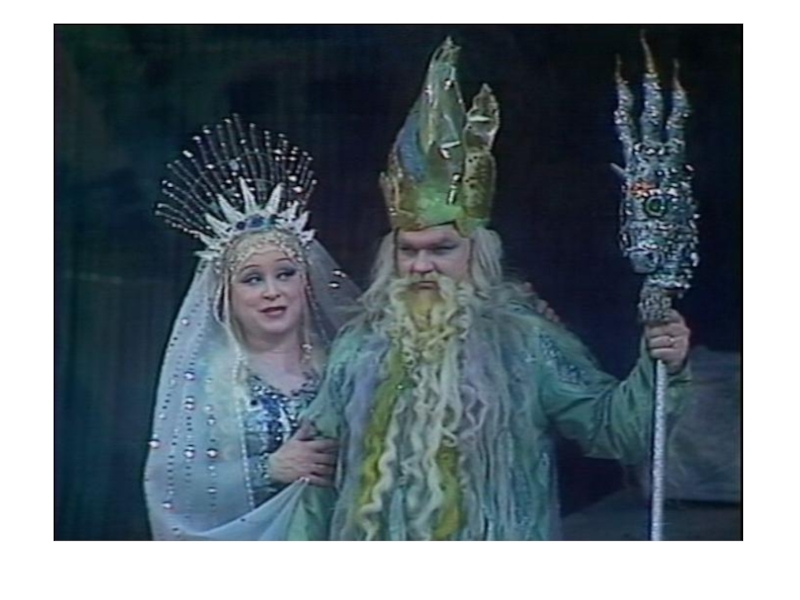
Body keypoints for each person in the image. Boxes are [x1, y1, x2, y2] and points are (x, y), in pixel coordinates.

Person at [286, 38, 692, 541]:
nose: (421, 266)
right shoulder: (357, 347)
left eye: (441, 249)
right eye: (408, 251)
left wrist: (661, 366)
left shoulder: (526, 341)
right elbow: (316, 472)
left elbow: (615, 431)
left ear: (477, 253)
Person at [143, 115, 360, 540]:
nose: (272, 292)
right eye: (252, 279)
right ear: (226, 293)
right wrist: (268, 469)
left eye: (285, 274)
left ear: (307, 280)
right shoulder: (207, 377)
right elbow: (173, 485)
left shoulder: (344, 361)